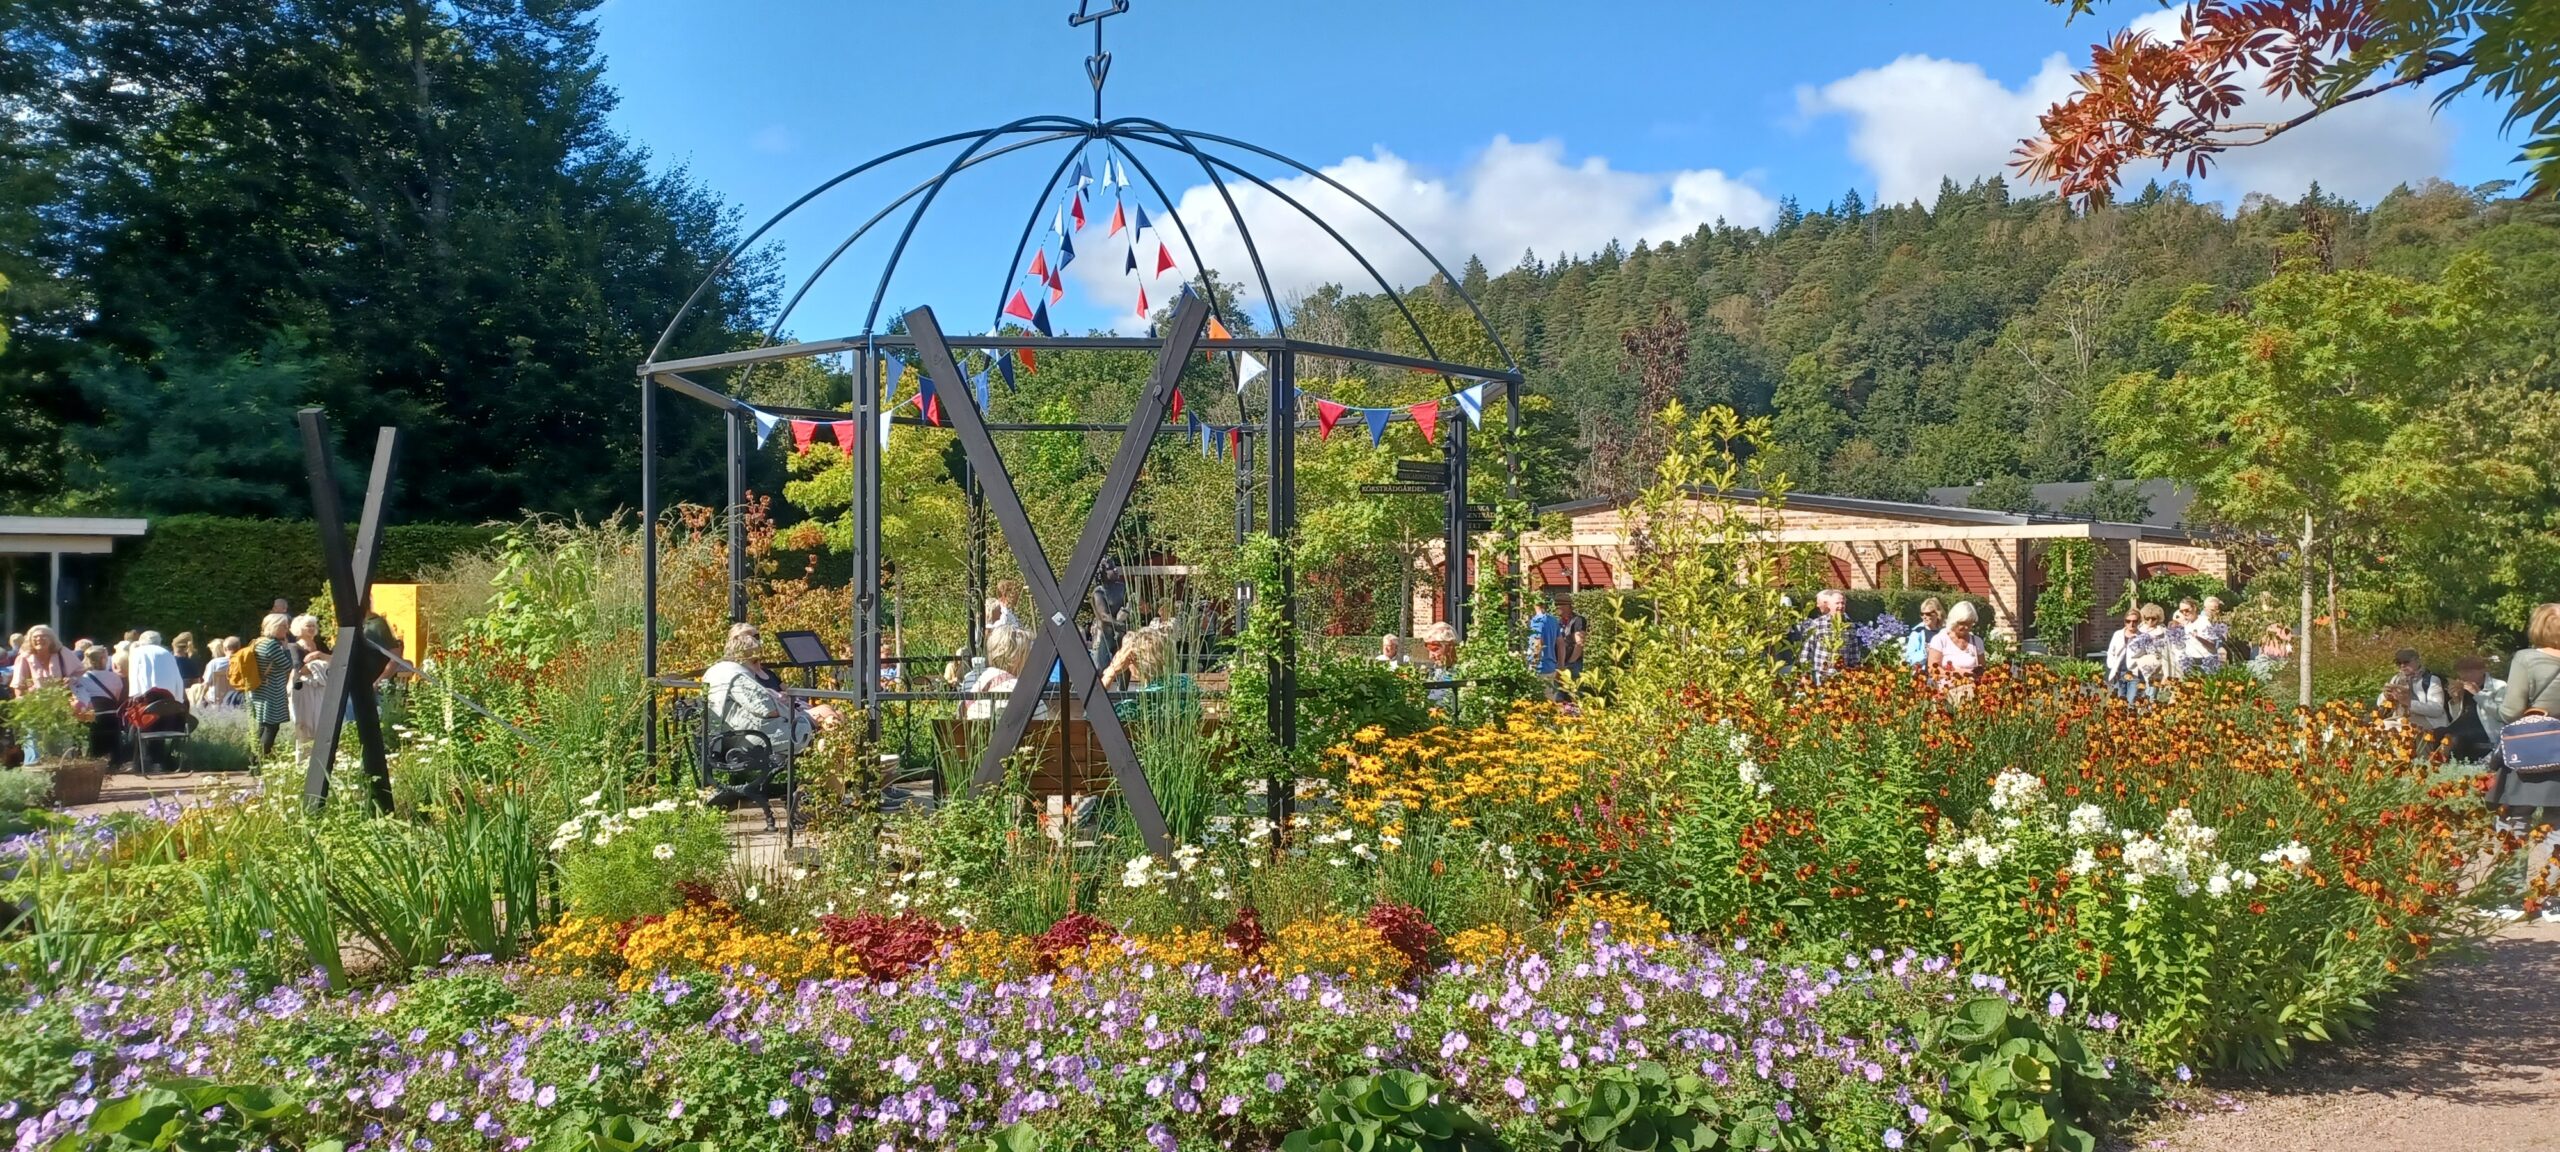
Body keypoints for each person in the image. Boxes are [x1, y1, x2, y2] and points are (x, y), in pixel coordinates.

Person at [2494, 604, 2560, 920]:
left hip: (2527, 752)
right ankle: (2553, 899)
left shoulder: (2526, 659)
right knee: (2557, 825)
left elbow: (2510, 711)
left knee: (2514, 820)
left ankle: (2508, 896)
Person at [704, 623, 836, 755]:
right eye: (754, 660)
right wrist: (782, 704)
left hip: (742, 732)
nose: (758, 662)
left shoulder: (719, 670)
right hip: (752, 736)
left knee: (827, 722)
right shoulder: (736, 673)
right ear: (745, 656)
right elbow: (766, 709)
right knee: (825, 726)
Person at [246, 613, 298, 756]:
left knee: (263, 725)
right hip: (272, 690)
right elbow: (288, 666)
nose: (286, 629)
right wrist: (286, 648)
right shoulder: (272, 645)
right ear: (274, 627)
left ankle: (253, 760)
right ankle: (260, 759)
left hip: (260, 688)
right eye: (283, 626)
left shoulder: (258, 642)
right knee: (271, 727)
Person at [2440, 654, 2507, 763]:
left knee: (2454, 738)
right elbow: (2457, 717)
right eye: (2461, 672)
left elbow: (2500, 714)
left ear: (2482, 671)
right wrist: (2456, 700)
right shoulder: (2464, 688)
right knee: (2436, 733)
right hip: (2463, 728)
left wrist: (2478, 694)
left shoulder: (2499, 686)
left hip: (2484, 731)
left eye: (2469, 672)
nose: (2464, 676)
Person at [71, 645, 127, 765]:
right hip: (111, 716)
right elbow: (117, 696)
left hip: (91, 716)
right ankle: (115, 761)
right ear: (103, 659)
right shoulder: (115, 677)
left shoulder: (81, 678)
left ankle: (92, 758)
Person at [2377, 648, 2452, 736]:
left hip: (2430, 723)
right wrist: (2385, 696)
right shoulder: (2396, 679)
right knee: (2377, 729)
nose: (2402, 665)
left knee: (2400, 732)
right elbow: (2379, 704)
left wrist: (2409, 703)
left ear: (2417, 661)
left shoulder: (2431, 680)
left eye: (2406, 662)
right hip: (2401, 720)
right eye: (2398, 663)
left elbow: (2437, 710)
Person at [1792, 589, 1859, 685]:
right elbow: (1807, 649)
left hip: (1842, 677)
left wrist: (1854, 673)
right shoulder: (1818, 623)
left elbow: (1853, 652)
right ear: (1829, 605)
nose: (1840, 606)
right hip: (1821, 675)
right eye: (1837, 603)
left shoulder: (1850, 625)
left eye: (1843, 603)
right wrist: (1805, 674)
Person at [1926, 601, 1988, 687]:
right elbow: (1932, 669)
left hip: (1972, 688)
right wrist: (1957, 673)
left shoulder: (1977, 642)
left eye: (1970, 623)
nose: (1966, 627)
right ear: (1954, 622)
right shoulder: (1940, 640)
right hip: (1946, 688)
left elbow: (1982, 668)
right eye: (1963, 623)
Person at [9, 625, 79, 695]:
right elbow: (18, 684)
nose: (39, 639)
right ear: (30, 640)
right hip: (36, 699)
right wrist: (21, 698)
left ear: (51, 639)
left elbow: (79, 671)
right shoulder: (24, 658)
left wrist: (72, 678)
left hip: (63, 697)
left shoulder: (62, 652)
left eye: (43, 636)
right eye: (35, 637)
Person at [126, 631, 185, 702]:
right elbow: (178, 678)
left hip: (147, 697)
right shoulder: (167, 653)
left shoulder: (137, 652)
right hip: (169, 697)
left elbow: (134, 675)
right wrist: (179, 699)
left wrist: (134, 696)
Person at [2180, 597, 2229, 675]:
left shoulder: (2204, 622)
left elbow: (2212, 645)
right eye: (2181, 611)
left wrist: (2199, 638)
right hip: (2191, 661)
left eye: (2186, 610)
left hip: (2204, 661)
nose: (2184, 613)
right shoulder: (2187, 624)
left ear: (2194, 608)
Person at [2102, 609, 2143, 702]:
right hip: (2119, 673)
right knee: (2120, 701)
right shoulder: (2118, 634)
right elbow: (2111, 652)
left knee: (2131, 701)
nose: (2131, 624)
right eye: (2128, 621)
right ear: (2125, 622)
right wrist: (2112, 666)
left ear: (2138, 622)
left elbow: (2146, 655)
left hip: (2134, 674)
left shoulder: (2142, 637)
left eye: (2134, 621)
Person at [1527, 599, 1562, 699]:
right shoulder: (1553, 620)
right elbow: (1561, 643)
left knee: (1537, 702)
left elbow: (1538, 643)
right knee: (1550, 700)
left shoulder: (1537, 621)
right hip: (1551, 666)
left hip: (1540, 668)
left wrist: (1533, 665)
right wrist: (1560, 664)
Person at [1902, 598, 1944, 668]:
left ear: (1937, 614)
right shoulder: (1917, 633)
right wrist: (1926, 652)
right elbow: (1909, 659)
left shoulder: (1944, 633)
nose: (1924, 617)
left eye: (1928, 614)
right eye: (1922, 614)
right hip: (1923, 672)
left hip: (1941, 671)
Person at [1555, 598, 1589, 684]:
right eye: (1556, 605)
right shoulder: (1558, 622)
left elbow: (1579, 643)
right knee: (1558, 689)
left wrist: (1570, 663)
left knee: (1572, 688)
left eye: (1560, 605)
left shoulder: (1578, 620)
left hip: (1573, 664)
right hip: (1560, 663)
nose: (1557, 607)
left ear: (1568, 606)